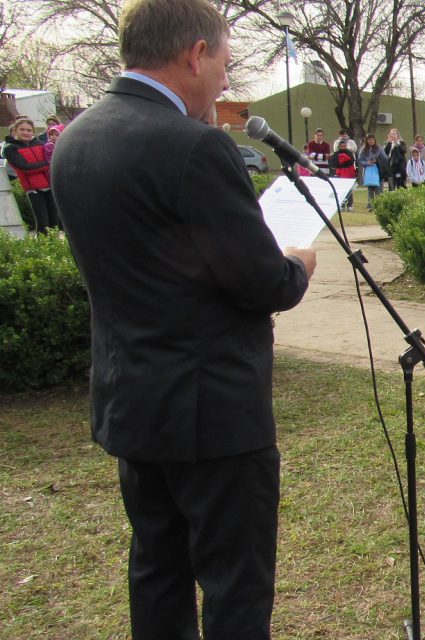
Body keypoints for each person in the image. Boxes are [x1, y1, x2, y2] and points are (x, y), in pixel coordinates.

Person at [50, 1, 317, 636]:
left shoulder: (75, 140)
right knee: (236, 586)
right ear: (195, 54)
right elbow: (261, 282)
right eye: (224, 62)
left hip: (131, 400)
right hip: (213, 411)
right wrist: (298, 265)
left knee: (157, 572)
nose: (225, 81)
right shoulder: (195, 148)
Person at [3, 116, 58, 233]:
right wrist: (47, 165)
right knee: (43, 222)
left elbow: (51, 159)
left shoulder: (39, 143)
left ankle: (54, 247)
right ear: (15, 131)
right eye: (22, 129)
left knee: (54, 220)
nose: (25, 132)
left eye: (28, 130)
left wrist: (47, 164)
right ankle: (42, 247)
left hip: (49, 185)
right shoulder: (11, 148)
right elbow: (24, 168)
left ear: (33, 131)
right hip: (33, 188)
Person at [358, 134, 386, 209]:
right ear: (367, 140)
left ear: (375, 140)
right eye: (369, 139)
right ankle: (371, 204)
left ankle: (378, 204)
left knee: (378, 188)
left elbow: (385, 158)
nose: (371, 141)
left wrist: (376, 161)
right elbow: (360, 160)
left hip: (378, 171)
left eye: (372, 139)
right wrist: (367, 163)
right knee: (370, 188)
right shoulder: (363, 150)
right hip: (368, 171)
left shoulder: (379, 149)